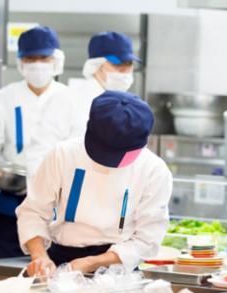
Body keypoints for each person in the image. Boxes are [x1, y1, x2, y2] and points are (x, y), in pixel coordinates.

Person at [17, 91, 173, 276]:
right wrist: (40, 257)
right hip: (59, 261)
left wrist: (92, 262)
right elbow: (33, 211)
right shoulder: (63, 154)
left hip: (117, 269)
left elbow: (147, 239)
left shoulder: (154, 170)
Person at [0, 26, 74, 258]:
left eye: (44, 58)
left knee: (56, 276)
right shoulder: (3, 100)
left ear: (56, 60)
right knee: (9, 273)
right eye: (30, 59)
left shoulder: (71, 101)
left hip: (60, 216)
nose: (37, 65)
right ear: (20, 63)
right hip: (12, 213)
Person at [69, 31, 139, 138]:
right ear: (97, 65)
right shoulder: (74, 100)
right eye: (118, 64)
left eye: (129, 63)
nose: (125, 70)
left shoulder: (130, 103)